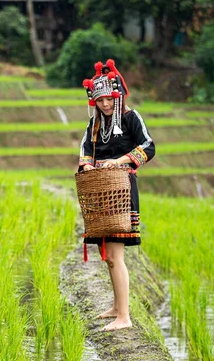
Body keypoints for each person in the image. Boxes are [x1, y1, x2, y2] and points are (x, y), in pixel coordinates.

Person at [78, 59, 155, 331]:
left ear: (118, 96)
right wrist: (87, 163)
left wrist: (120, 161)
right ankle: (116, 307)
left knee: (116, 255)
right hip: (101, 192)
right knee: (109, 256)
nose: (105, 105)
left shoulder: (131, 118)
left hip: (122, 192)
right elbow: (86, 149)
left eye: (109, 100)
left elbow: (149, 146)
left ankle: (125, 317)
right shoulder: (95, 124)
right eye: (100, 101)